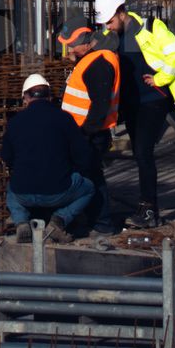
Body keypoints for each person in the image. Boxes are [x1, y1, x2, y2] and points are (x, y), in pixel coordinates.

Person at [93, 0, 175, 229]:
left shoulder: (151, 27)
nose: (107, 26)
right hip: (131, 103)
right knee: (140, 154)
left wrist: (161, 79)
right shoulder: (110, 35)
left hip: (154, 99)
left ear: (121, 12)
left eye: (110, 20)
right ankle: (145, 204)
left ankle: (150, 209)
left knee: (143, 151)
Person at [1, 74, 95, 244]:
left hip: (23, 192)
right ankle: (58, 221)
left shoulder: (15, 122)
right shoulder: (64, 119)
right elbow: (83, 155)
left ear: (25, 98)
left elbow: (6, 157)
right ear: (50, 97)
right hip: (58, 191)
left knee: (12, 189)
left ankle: (21, 222)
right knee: (88, 188)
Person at [57, 19, 120, 233]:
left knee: (91, 179)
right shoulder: (92, 59)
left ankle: (102, 224)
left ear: (86, 42)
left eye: (72, 45)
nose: (70, 49)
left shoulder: (98, 63)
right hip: (85, 132)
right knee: (88, 177)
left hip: (90, 134)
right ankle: (96, 222)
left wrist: (85, 135)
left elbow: (99, 106)